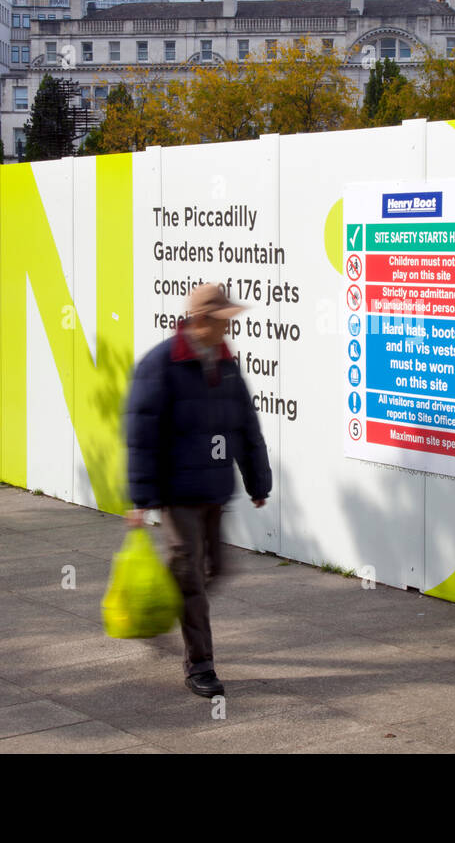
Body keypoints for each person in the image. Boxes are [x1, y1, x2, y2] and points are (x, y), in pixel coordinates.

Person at [124, 282, 272, 698]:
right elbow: (141, 433)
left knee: (216, 570)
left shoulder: (225, 364)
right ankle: (200, 665)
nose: (229, 329)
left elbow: (245, 426)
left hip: (214, 488)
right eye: (223, 321)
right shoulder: (162, 364)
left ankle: (162, 601)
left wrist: (258, 481)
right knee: (192, 576)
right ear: (202, 321)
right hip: (176, 492)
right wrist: (142, 498)